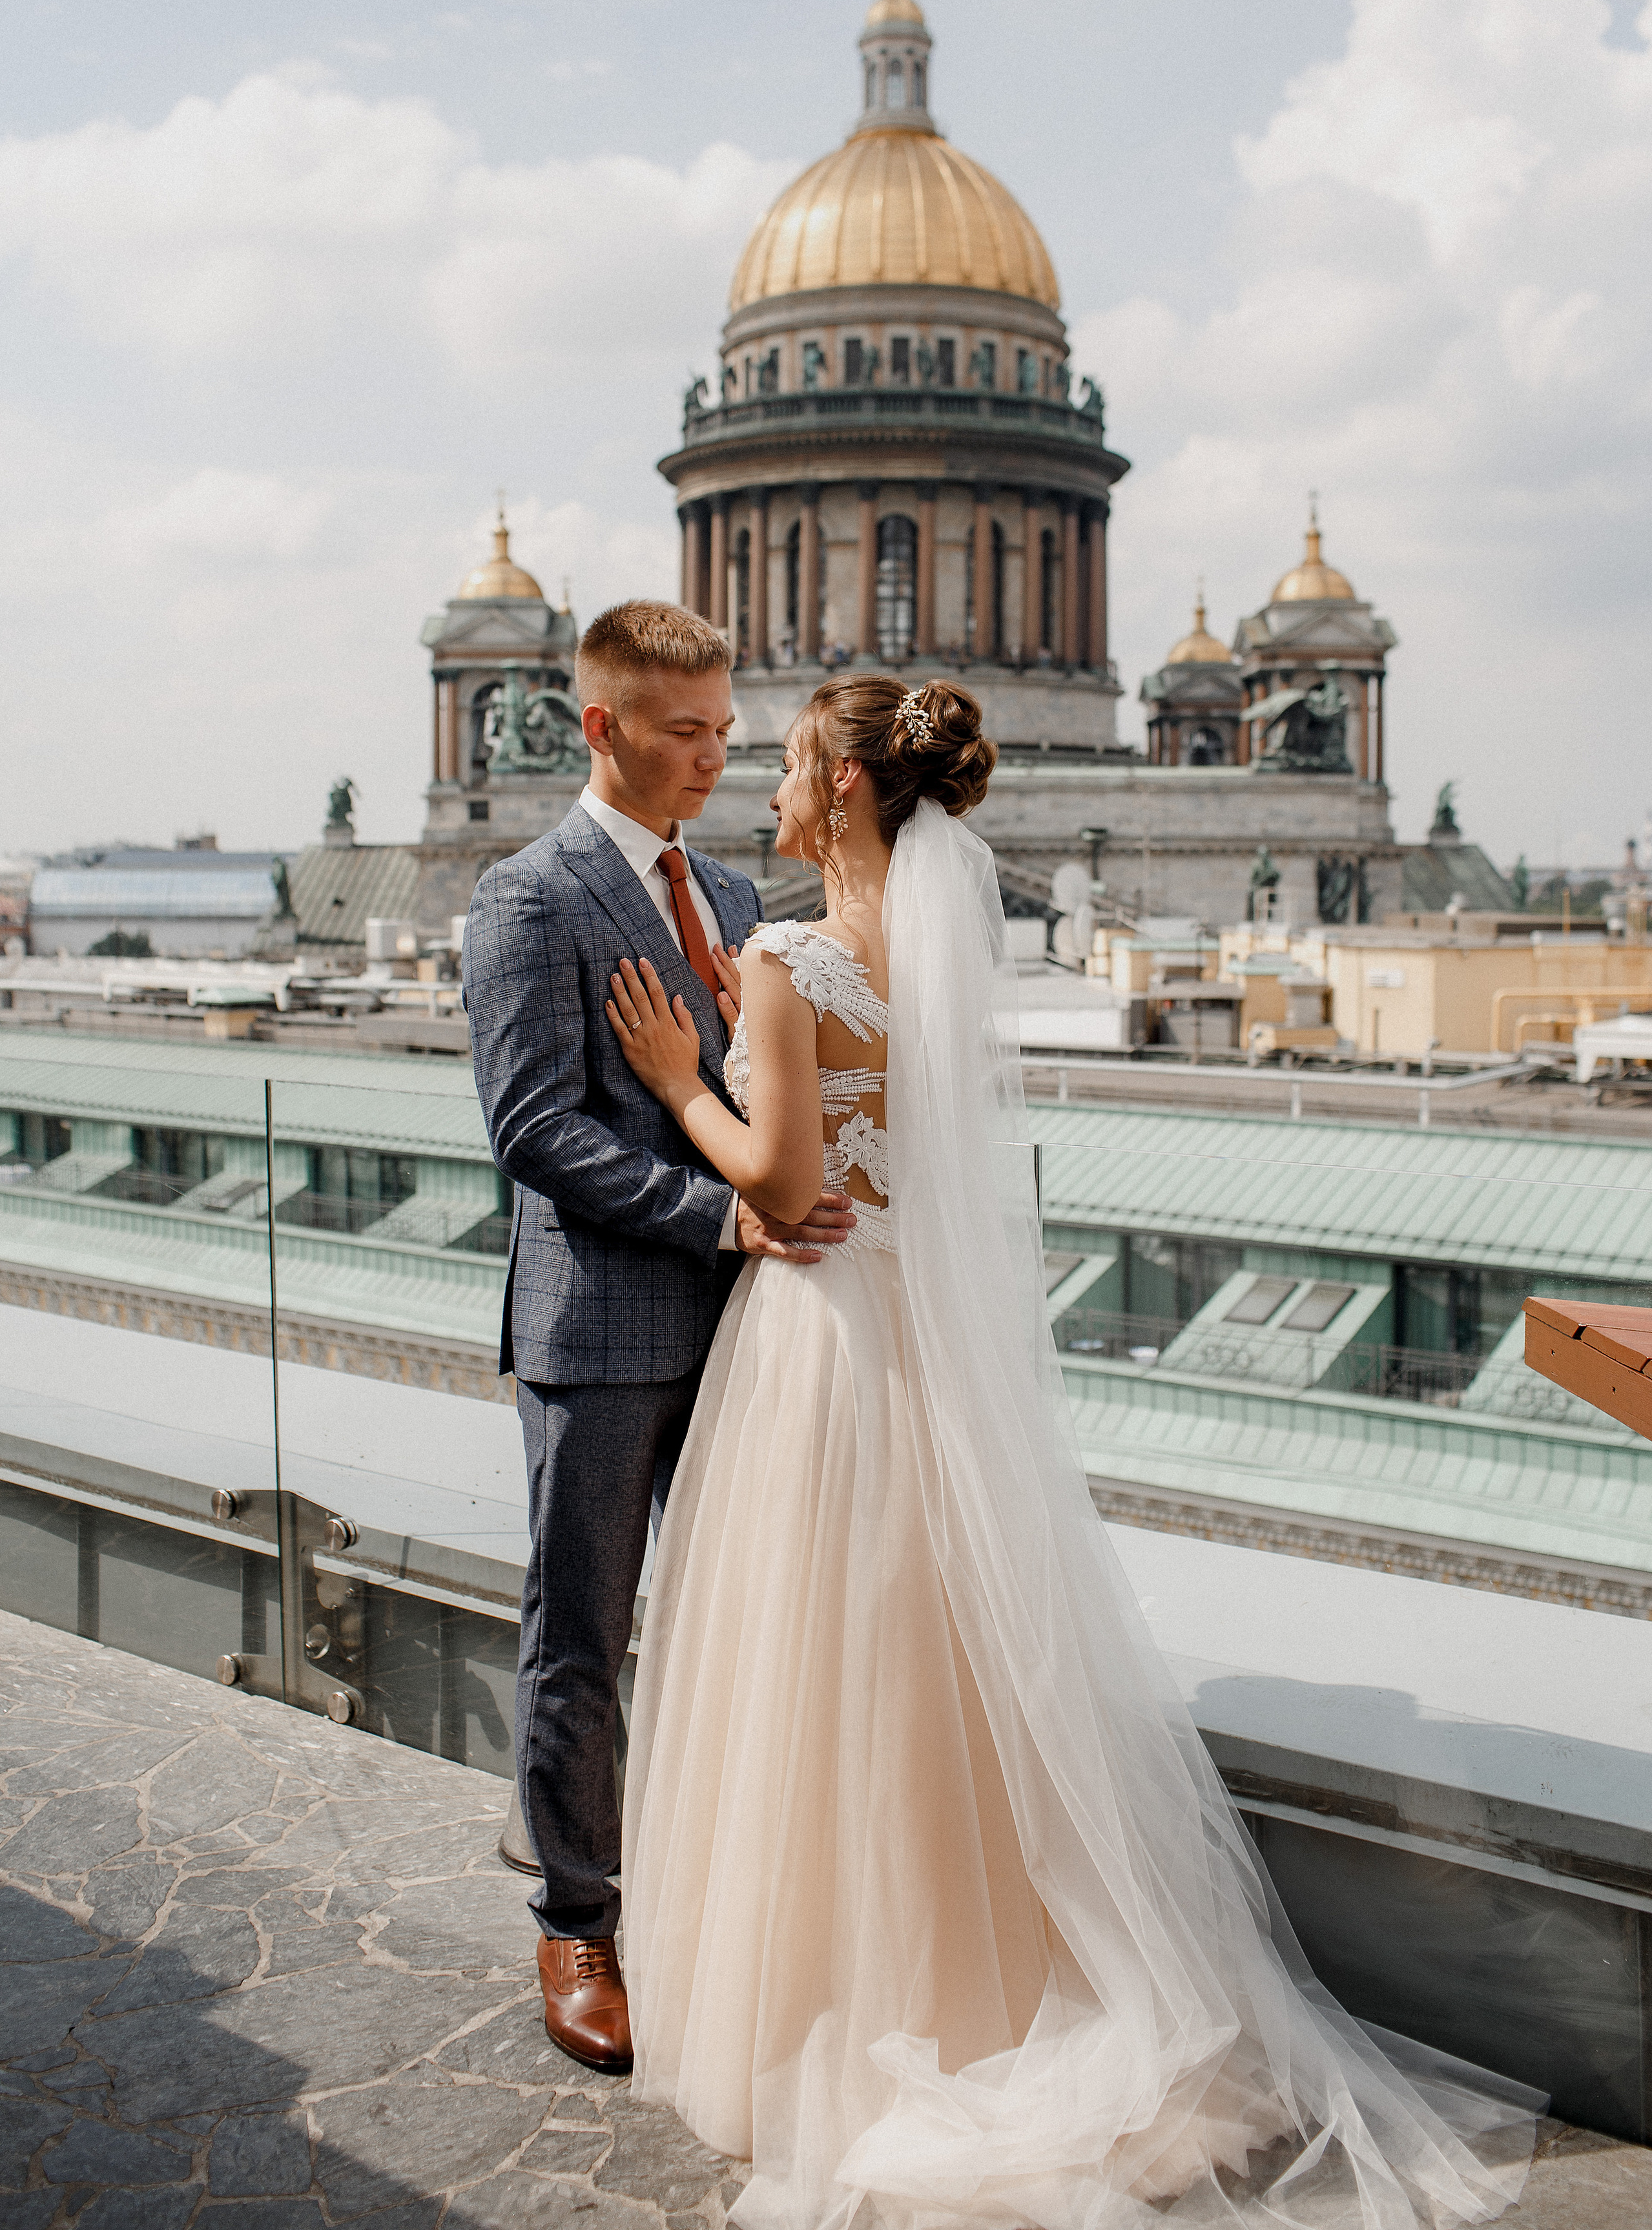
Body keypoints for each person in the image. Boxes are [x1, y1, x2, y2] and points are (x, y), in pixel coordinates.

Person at [604, 672, 1541, 2229]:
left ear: (840, 788)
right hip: (923, 1338)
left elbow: (774, 1183)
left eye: (780, 764)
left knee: (818, 1663)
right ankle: (981, 1976)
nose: (759, 787)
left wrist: (673, 1080)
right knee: (939, 1661)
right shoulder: (944, 949)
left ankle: (835, 1993)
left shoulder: (783, 953)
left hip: (824, 1344)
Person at [463, 601, 852, 2076]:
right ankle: (575, 1918)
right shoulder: (527, 899)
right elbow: (533, 1129)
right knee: (582, 1637)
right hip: (606, 1330)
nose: (711, 755)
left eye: (723, 731)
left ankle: (713, 1898)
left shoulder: (742, 891)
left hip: (752, 1330)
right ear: (600, 727)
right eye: (682, 733)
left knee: (745, 1620)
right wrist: (721, 1217)